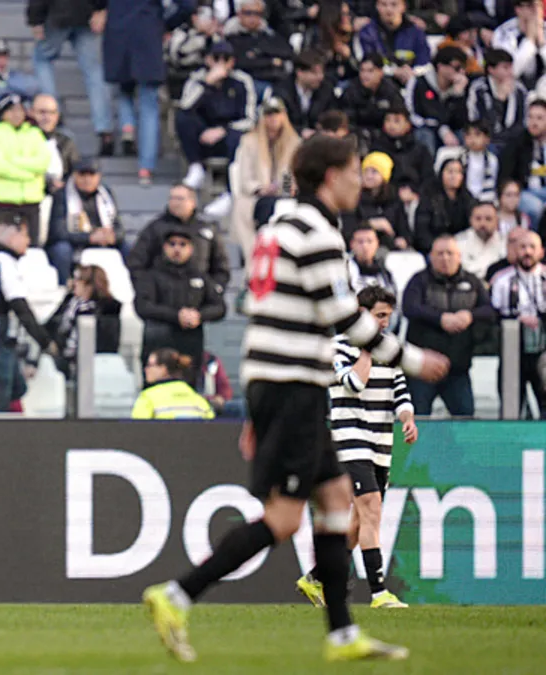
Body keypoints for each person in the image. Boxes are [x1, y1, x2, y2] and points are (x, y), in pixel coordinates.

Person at [143, 134, 449, 664]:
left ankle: (342, 635)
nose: (360, 182)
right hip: (291, 386)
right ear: (331, 176)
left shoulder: (280, 226)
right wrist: (417, 361)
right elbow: (346, 319)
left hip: (277, 381)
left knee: (334, 501)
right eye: (353, 171)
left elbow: (270, 309)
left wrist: (258, 396)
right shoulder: (317, 232)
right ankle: (177, 594)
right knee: (285, 519)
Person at [296, 286, 416, 610]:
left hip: (381, 442)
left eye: (388, 317)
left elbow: (401, 392)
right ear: (362, 315)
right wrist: (366, 348)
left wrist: (408, 419)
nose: (385, 323)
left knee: (360, 521)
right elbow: (353, 383)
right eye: (379, 316)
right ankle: (379, 593)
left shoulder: (390, 348)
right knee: (371, 508)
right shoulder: (336, 347)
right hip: (350, 440)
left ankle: (315, 578)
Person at [402, 234, 495, 416]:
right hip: (422, 368)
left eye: (450, 253)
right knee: (416, 421)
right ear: (431, 256)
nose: (445, 258)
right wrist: (440, 319)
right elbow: (409, 307)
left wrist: (470, 315)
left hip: (457, 369)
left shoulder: (472, 282)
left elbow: (490, 311)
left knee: (465, 420)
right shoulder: (418, 280)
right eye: (440, 253)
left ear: (459, 256)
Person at [0, 221, 56, 412]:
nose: (28, 241)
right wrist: (44, 340)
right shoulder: (3, 261)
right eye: (24, 235)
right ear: (11, 237)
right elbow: (19, 305)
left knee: (15, 386)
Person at [105, 0, 187, 184]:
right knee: (149, 105)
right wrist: (166, 24)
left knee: (124, 90)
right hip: (148, 33)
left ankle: (127, 126)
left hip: (118, 31)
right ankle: (145, 168)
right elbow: (186, 5)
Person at [133, 228, 225, 382]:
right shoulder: (151, 276)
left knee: (188, 388)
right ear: (164, 247)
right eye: (172, 244)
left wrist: (199, 315)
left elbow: (219, 307)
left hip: (190, 345)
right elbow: (143, 306)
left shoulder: (200, 277)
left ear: (191, 248)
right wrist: (176, 316)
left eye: (183, 244)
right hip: (157, 344)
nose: (177, 249)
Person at [27, 0, 114, 157]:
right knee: (94, 72)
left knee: (42, 60)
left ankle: (51, 115)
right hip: (86, 11)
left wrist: (35, 18)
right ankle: (104, 129)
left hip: (57, 12)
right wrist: (101, 8)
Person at [175, 41, 257, 190]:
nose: (221, 63)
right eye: (216, 58)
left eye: (226, 59)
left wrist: (223, 130)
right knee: (183, 118)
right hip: (203, 133)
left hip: (229, 133)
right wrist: (207, 83)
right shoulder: (197, 78)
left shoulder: (242, 81)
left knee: (238, 137)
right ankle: (196, 167)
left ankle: (231, 187)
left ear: (232, 61)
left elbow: (250, 119)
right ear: (208, 59)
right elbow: (186, 106)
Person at [127, 184, 231, 294]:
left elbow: (221, 266)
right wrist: (147, 289)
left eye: (180, 199)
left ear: (193, 202)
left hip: (199, 295)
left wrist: (214, 290)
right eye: (172, 198)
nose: (175, 203)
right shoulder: (155, 229)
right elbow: (136, 262)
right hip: (162, 295)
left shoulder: (207, 229)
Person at [230, 98, 300, 258]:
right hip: (255, 196)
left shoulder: (294, 143)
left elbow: (292, 174)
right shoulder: (249, 141)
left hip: (283, 196)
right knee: (250, 209)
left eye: (277, 113)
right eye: (269, 114)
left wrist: (286, 189)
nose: (273, 118)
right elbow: (244, 176)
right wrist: (260, 188)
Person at [489, 230, 546, 418]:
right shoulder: (501, 279)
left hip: (543, 352)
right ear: (514, 250)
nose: (527, 252)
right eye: (522, 247)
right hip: (512, 352)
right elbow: (493, 314)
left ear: (541, 251)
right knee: (510, 408)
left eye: (532, 247)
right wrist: (517, 320)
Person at [0, 95, 51, 245]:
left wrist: (12, 160)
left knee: (32, 246)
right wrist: (29, 174)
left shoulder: (35, 133)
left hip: (31, 201)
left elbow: (42, 163)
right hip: (4, 201)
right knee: (3, 244)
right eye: (12, 110)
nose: (17, 114)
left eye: (20, 110)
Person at [45, 157, 125, 283]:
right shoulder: (62, 195)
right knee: (61, 250)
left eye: (91, 174)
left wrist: (113, 236)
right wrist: (89, 237)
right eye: (82, 174)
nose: (87, 179)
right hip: (74, 242)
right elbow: (58, 232)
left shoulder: (106, 194)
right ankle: (64, 287)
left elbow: (119, 227)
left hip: (101, 240)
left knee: (129, 248)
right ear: (74, 175)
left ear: (98, 176)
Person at [44, 263, 121, 372]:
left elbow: (106, 344)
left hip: (92, 362)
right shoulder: (69, 302)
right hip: (61, 356)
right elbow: (51, 325)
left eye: (78, 279)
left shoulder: (108, 310)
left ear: (89, 285)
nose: (73, 283)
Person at [223, 0, 295, 92]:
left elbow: (287, 52)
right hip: (247, 82)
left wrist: (258, 55)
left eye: (257, 14)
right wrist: (271, 61)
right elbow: (241, 62)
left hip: (276, 79)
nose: (253, 18)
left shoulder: (269, 34)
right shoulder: (231, 37)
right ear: (239, 14)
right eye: (248, 13)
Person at [467, 49, 528, 152]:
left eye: (511, 67)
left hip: (512, 141)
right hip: (486, 140)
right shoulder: (479, 89)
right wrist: (499, 100)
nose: (510, 72)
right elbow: (478, 121)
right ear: (491, 69)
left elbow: (522, 122)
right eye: (505, 67)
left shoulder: (519, 90)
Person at [266, 50, 336, 139]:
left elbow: (331, 115)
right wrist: (300, 131)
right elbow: (277, 123)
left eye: (321, 72)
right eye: (314, 73)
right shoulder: (281, 91)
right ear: (299, 72)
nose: (320, 77)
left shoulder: (326, 89)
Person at [414, 158, 478, 252]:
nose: (454, 176)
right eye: (450, 172)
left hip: (462, 249)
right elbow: (422, 231)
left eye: (458, 172)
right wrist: (437, 247)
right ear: (441, 174)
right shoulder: (429, 198)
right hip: (433, 249)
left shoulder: (468, 199)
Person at [499, 99, 546, 228]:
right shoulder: (516, 142)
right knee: (535, 207)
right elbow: (505, 176)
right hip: (524, 191)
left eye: (539, 118)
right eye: (530, 117)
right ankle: (533, 238)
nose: (534, 123)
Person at [131, 348, 214, 420]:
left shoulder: (148, 397)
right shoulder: (197, 399)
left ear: (163, 369)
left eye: (150, 365)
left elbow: (136, 429)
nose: (145, 369)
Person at [357, 0, 432, 68]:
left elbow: (424, 60)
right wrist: (393, 71)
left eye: (394, 4)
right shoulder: (367, 32)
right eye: (384, 4)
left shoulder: (416, 32)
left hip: (412, 75)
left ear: (403, 6)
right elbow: (368, 62)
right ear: (377, 6)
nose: (388, 9)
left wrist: (412, 72)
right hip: (379, 76)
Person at [491, 0, 546, 88]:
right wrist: (530, 41)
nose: (536, 11)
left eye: (539, 6)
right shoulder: (503, 32)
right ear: (518, 9)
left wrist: (542, 43)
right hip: (512, 87)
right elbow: (510, 72)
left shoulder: (544, 28)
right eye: (530, 6)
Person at [456, 201, 508, 277]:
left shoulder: (506, 243)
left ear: (497, 221)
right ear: (471, 220)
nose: (483, 223)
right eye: (478, 219)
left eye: (488, 219)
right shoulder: (458, 243)